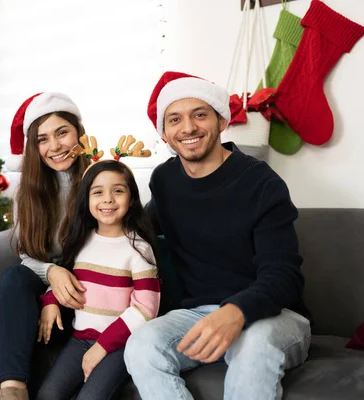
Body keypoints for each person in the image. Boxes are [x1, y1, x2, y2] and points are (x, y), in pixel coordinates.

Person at [124, 71, 312, 400]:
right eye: (174, 119)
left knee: (253, 344)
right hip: (198, 313)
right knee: (141, 345)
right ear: (165, 134)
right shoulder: (165, 181)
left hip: (274, 316)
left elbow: (284, 276)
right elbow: (134, 234)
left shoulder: (261, 183)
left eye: (200, 114)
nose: (188, 128)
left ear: (221, 121)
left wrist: (235, 312)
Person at [36, 159, 160, 400]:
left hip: (119, 345)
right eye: (98, 192)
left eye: (118, 191)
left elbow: (146, 309)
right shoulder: (81, 239)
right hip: (79, 339)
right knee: (48, 395)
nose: (108, 199)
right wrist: (50, 300)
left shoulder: (139, 249)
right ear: (87, 198)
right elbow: (64, 277)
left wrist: (102, 346)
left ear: (131, 197)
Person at [0, 92, 91, 400]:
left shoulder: (99, 178)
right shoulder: (28, 188)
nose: (55, 146)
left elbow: (105, 253)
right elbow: (27, 253)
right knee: (14, 277)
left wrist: (53, 295)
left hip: (87, 289)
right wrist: (51, 274)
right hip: (50, 279)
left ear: (79, 132)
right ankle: (13, 387)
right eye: (43, 139)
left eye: (62, 132)